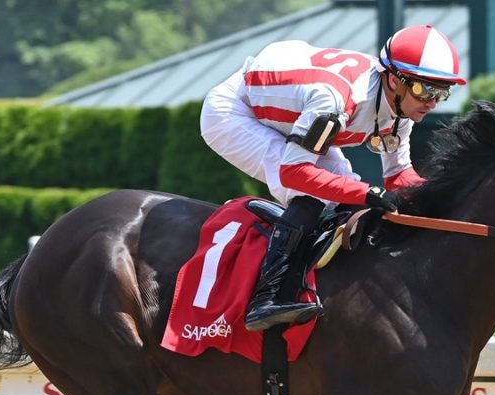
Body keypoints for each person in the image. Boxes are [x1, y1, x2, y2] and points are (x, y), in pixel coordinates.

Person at [200, 25, 466, 332]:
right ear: (395, 80)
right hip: (235, 112)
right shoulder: (336, 102)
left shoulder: (399, 107)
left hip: (291, 107)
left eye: (441, 92)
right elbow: (295, 173)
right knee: (314, 191)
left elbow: (399, 177)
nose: (432, 102)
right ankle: (268, 296)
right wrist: (369, 193)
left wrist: (447, 200)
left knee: (345, 189)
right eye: (425, 89)